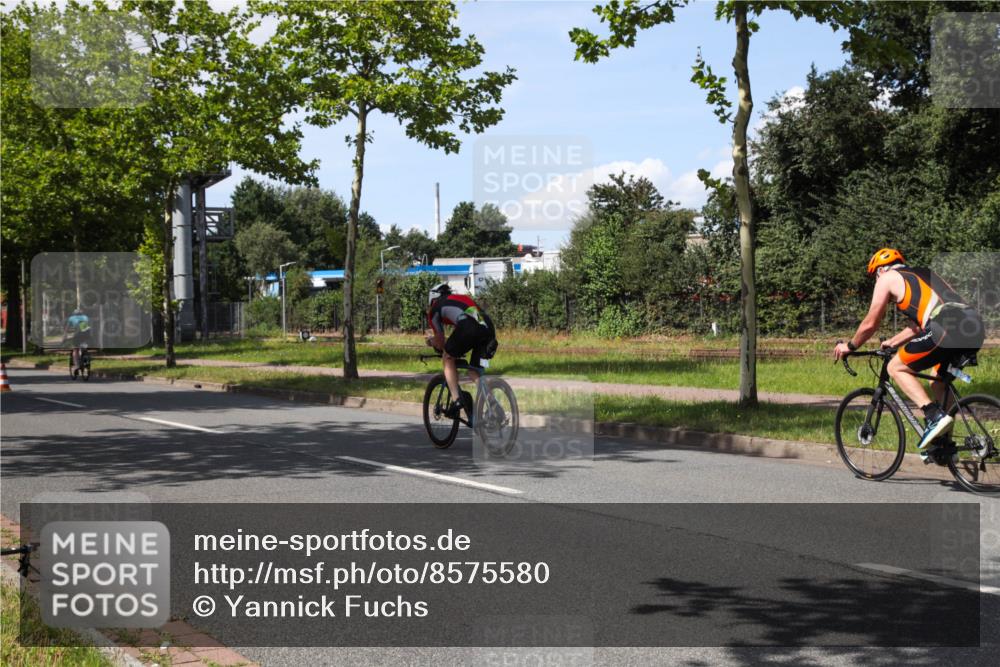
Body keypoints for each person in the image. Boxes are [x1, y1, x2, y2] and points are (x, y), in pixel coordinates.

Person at [833, 248, 985, 461]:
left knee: (894, 367)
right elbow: (919, 325)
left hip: (946, 327)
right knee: (939, 382)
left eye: (875, 274)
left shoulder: (886, 278)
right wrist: (892, 342)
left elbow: (871, 322)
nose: (876, 279)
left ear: (881, 269)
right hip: (973, 326)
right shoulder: (923, 273)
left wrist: (851, 345)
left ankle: (933, 415)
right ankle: (944, 447)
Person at [425, 283, 497, 419]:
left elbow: (440, 342)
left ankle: (456, 400)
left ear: (433, 298)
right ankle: (493, 405)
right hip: (488, 329)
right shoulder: (461, 298)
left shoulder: (435, 308)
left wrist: (430, 341)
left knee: (447, 357)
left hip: (469, 327)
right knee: (474, 371)